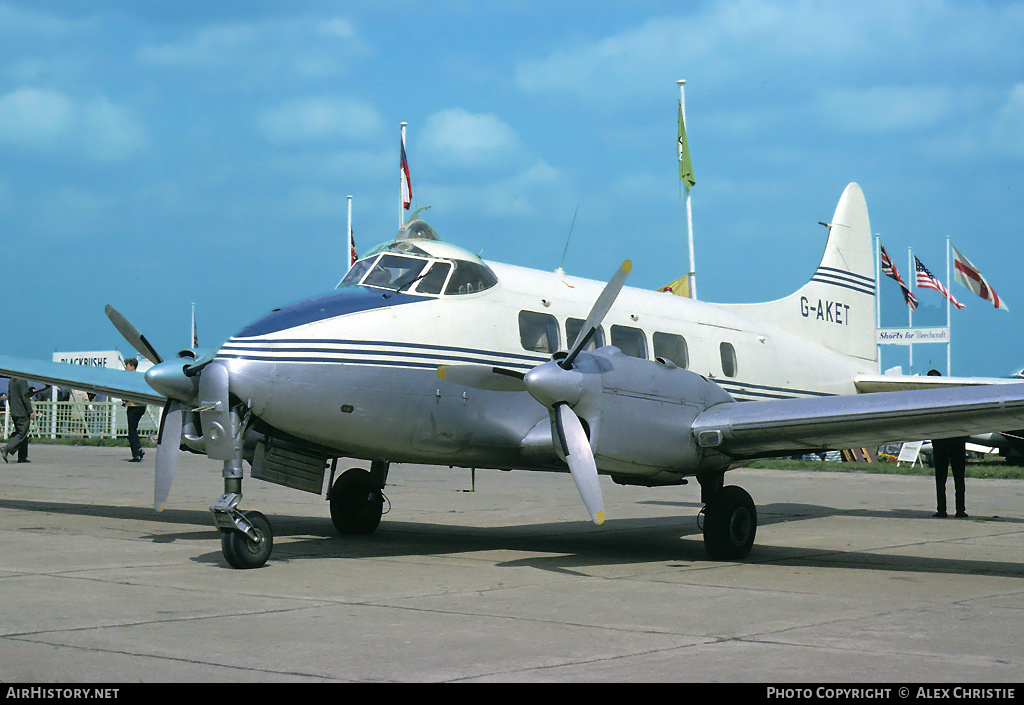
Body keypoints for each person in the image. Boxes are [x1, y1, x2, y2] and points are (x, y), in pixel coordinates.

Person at [927, 369, 968, 518]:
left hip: (949, 440)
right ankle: (950, 509)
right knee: (946, 477)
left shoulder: (933, 400)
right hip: (948, 440)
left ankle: (953, 510)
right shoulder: (951, 395)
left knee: (951, 477)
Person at [3, 377, 35, 463]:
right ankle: (6, 449)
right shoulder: (22, 381)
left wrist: (12, 408)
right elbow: (25, 397)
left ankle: (22, 456)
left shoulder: (11, 381)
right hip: (22, 412)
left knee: (22, 433)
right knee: (22, 433)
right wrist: (30, 411)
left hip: (14, 411)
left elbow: (9, 397)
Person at [123, 358, 147, 462]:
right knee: (134, 429)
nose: (125, 368)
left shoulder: (130, 378)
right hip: (142, 406)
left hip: (133, 406)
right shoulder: (141, 377)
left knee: (132, 430)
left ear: (132, 366)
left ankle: (136, 453)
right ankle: (139, 448)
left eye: (127, 365)